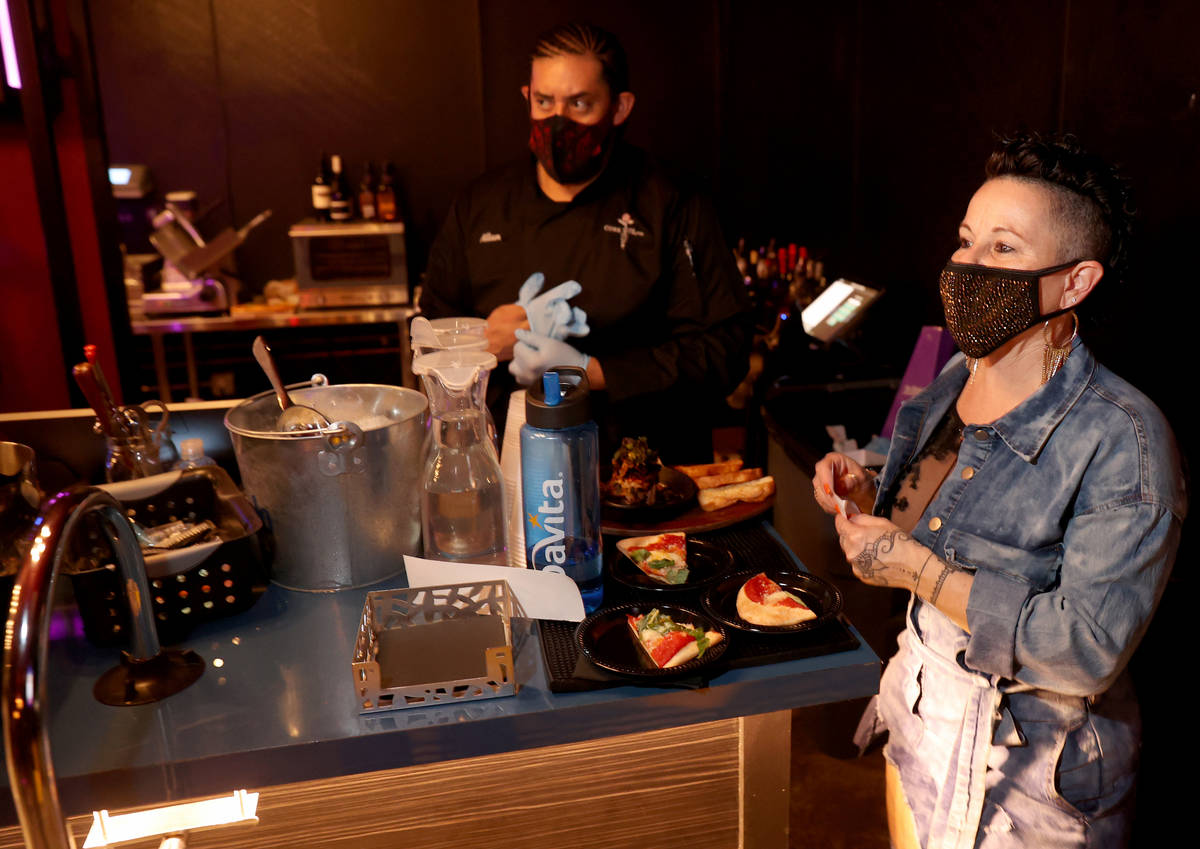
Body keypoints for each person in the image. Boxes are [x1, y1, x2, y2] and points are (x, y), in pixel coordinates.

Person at [813, 133, 1186, 848]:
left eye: (1003, 249)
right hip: (923, 715)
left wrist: (915, 568)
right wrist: (871, 482)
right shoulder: (958, 376)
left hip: (1031, 776)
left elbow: (1085, 648)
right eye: (965, 240)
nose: (967, 267)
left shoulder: (1128, 442)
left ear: (1074, 282)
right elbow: (938, 503)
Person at [421, 22, 751, 461]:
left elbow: (723, 352)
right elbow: (430, 338)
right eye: (544, 102)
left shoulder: (672, 200)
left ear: (619, 107)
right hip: (509, 467)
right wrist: (481, 344)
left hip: (650, 476)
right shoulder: (480, 203)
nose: (559, 121)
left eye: (580, 103)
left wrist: (586, 371)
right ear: (527, 98)